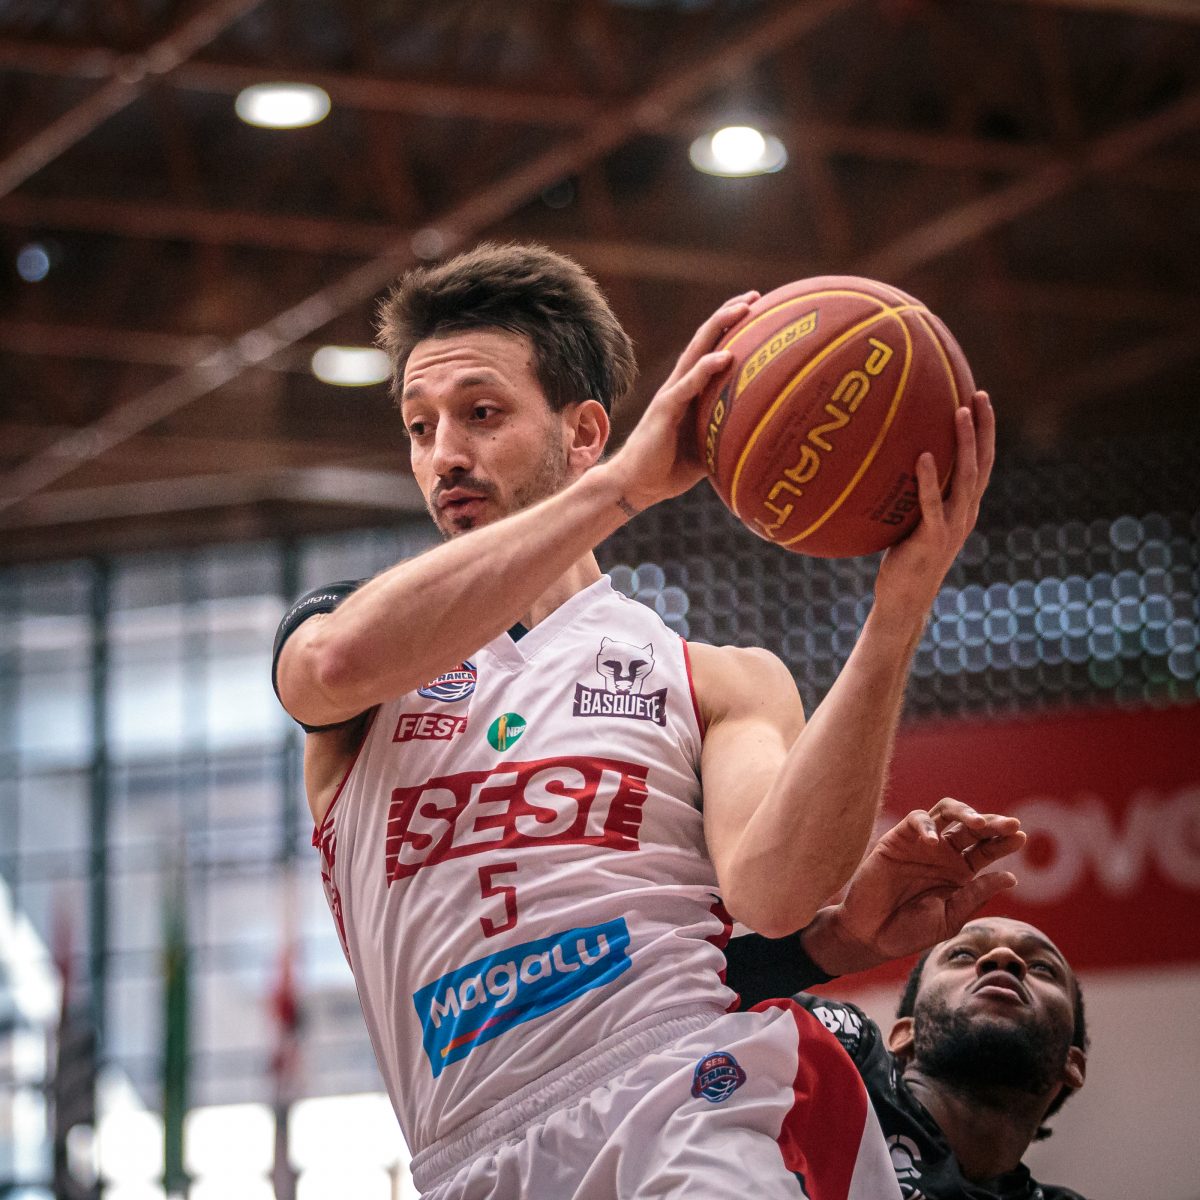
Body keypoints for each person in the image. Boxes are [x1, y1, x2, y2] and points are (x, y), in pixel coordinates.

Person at [272, 242, 995, 1198]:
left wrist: (897, 614)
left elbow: (777, 892)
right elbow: (335, 663)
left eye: (481, 413)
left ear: (585, 432)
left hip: (686, 1094)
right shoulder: (349, 643)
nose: (443, 454)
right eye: (419, 426)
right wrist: (619, 490)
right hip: (465, 1160)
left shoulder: (716, 679)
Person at [726, 798, 1088, 1200]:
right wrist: (841, 938)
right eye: (962, 955)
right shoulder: (839, 1049)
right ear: (904, 1034)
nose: (1003, 959)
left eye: (1041, 968)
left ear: (1073, 1063)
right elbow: (681, 995)